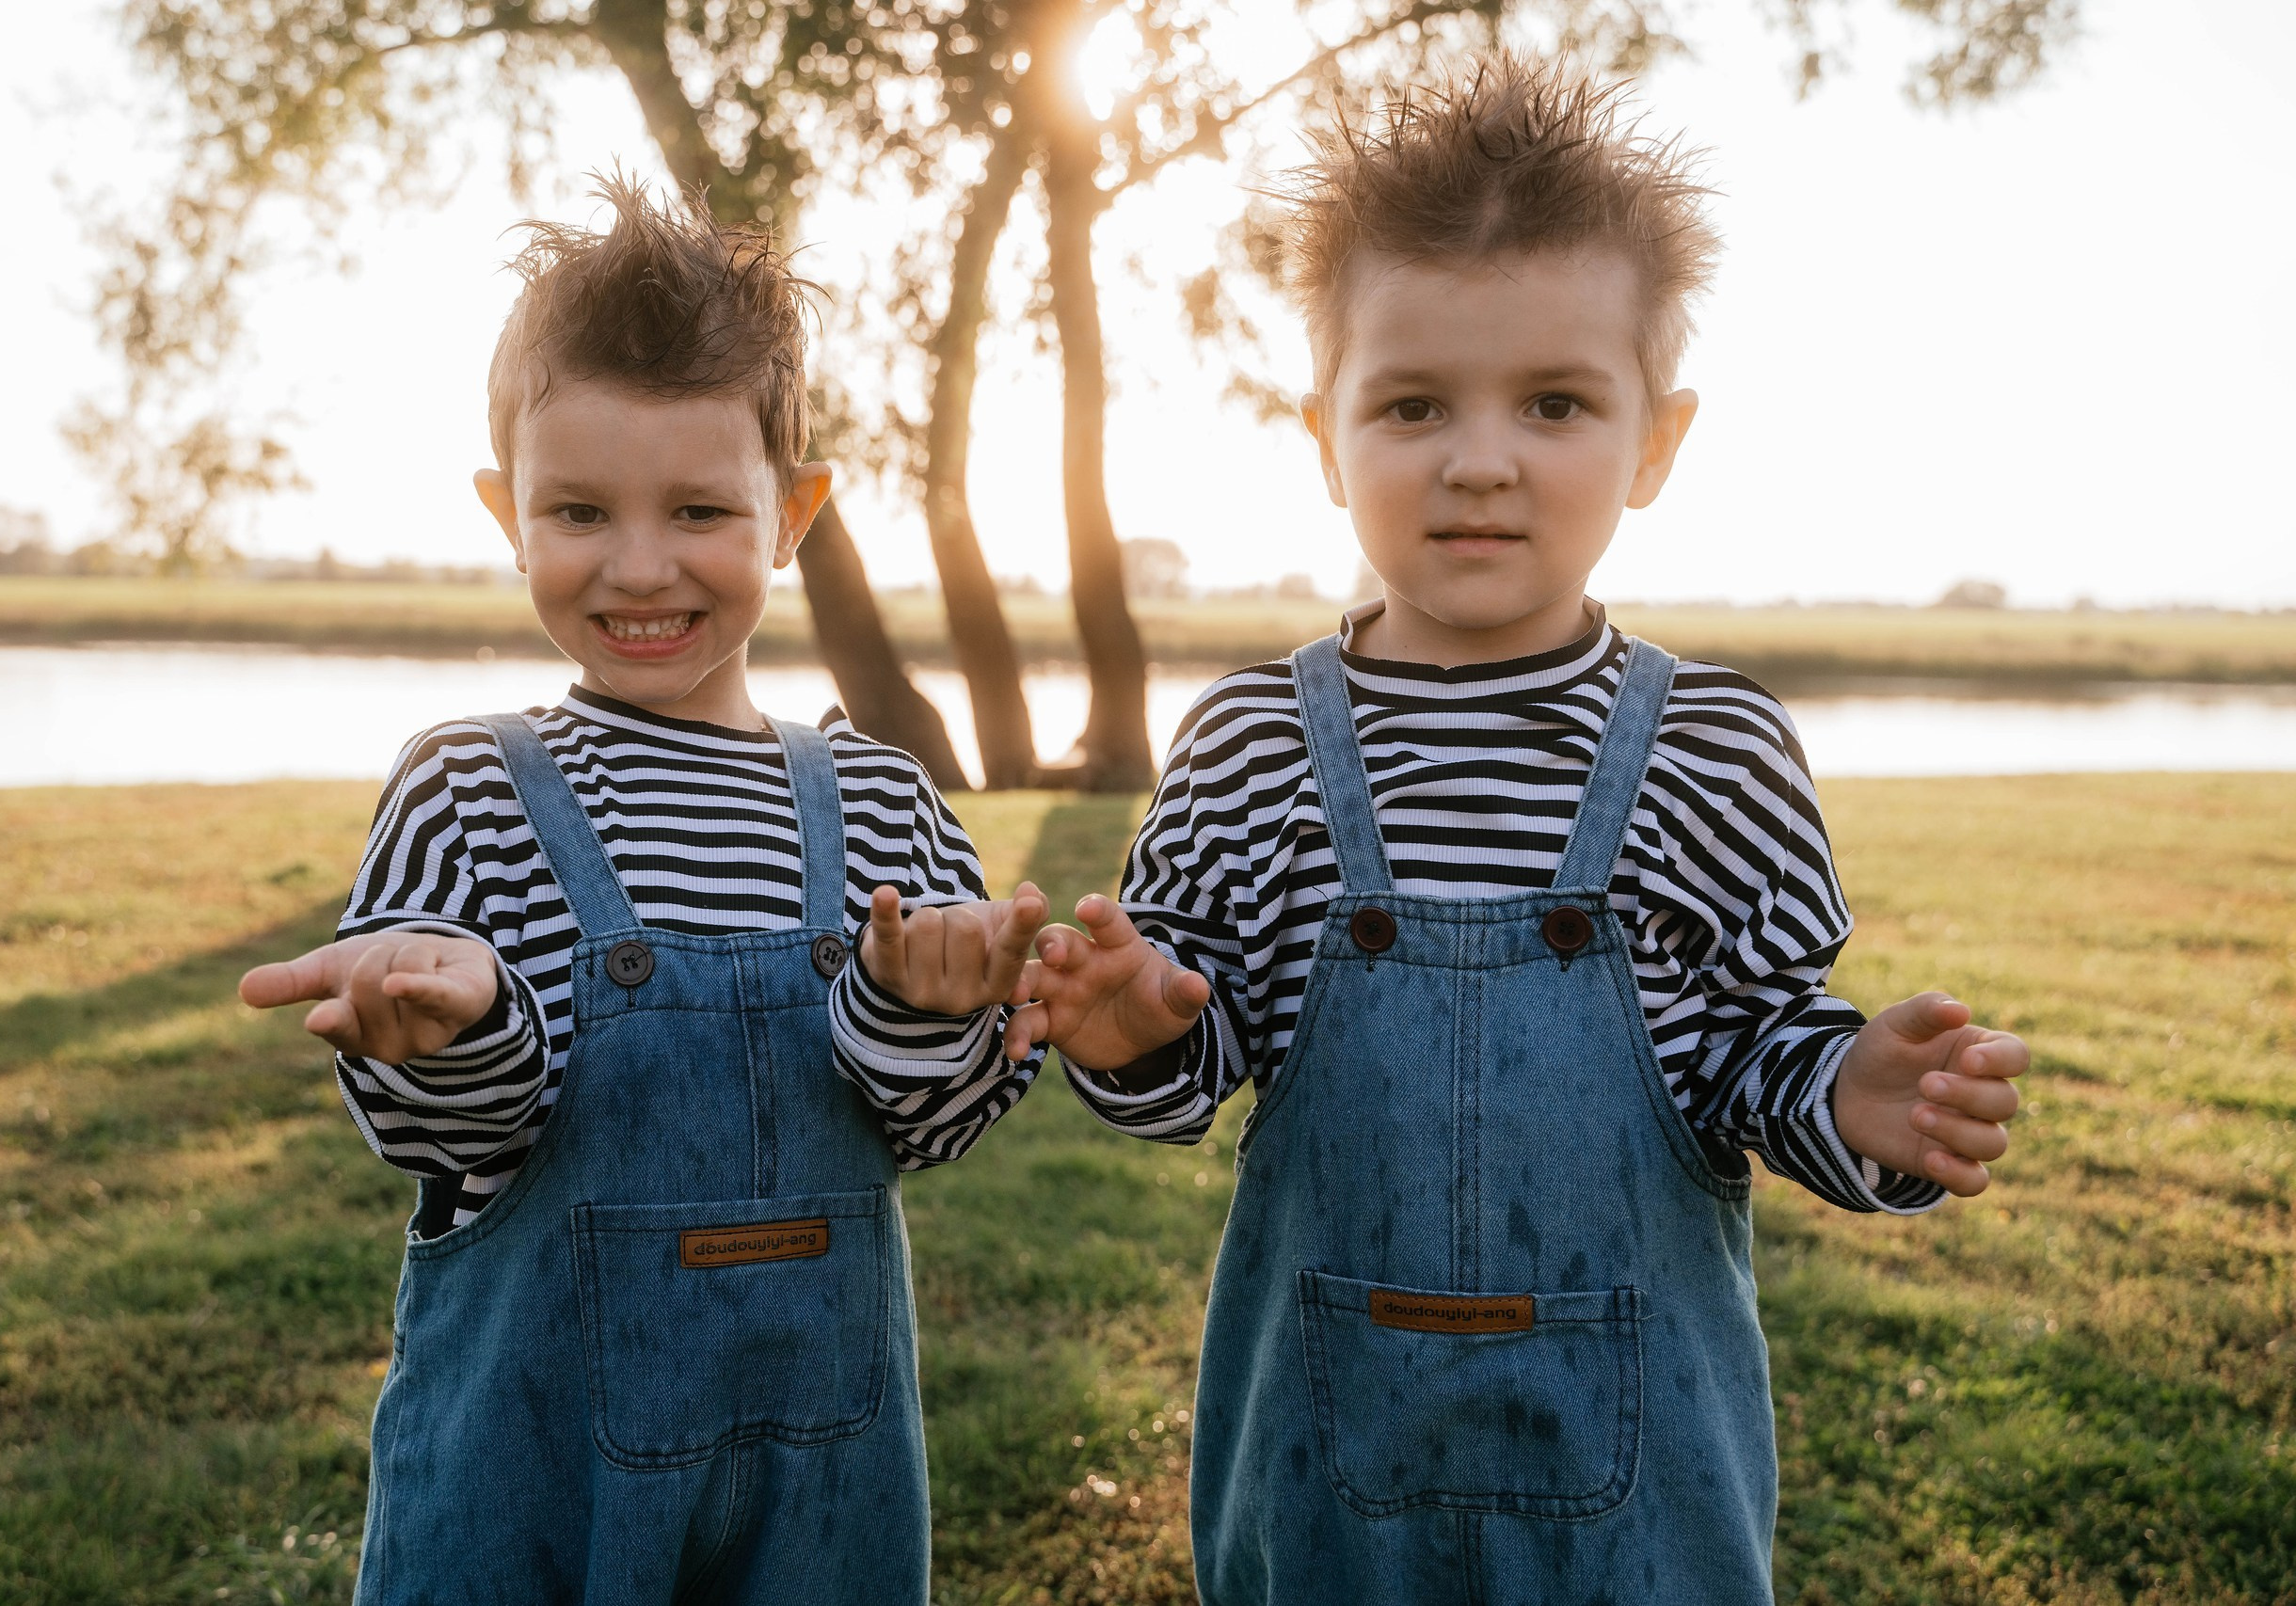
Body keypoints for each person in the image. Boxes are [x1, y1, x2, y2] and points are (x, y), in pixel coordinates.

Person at [1007, 58, 2031, 1604]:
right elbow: (1187, 1071)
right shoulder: (1252, 744)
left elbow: (1750, 1051)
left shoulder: (1715, 749)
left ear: (1655, 442)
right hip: (1323, 1496)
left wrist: (1847, 1093)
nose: (1479, 458)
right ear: (1326, 434)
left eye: (1554, 403)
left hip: (1646, 1517)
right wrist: (1132, 1031)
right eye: (1413, 403)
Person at [237, 176, 1042, 1605]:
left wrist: (924, 1013)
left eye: (699, 509)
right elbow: (447, 1139)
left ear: (792, 514)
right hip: (528, 1485)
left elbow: (934, 1126)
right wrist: (454, 1034)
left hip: (820, 1503)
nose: (641, 565)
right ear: (508, 513)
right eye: (580, 511)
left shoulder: (883, 801)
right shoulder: (466, 792)